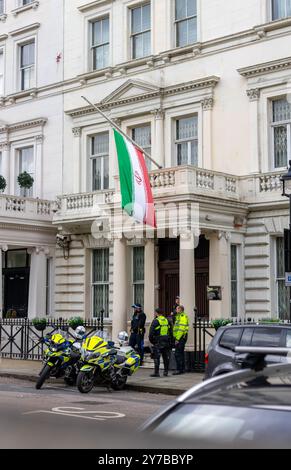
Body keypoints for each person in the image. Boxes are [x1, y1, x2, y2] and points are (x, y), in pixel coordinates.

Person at [149, 308, 171, 378]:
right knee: (165, 357)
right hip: (166, 340)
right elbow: (170, 331)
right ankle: (166, 372)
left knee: (156, 357)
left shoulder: (156, 321)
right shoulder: (167, 320)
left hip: (158, 341)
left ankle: (156, 372)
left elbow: (151, 333)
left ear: (156, 313)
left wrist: (152, 341)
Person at [172, 305, 189, 375]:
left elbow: (181, 329)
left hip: (181, 337)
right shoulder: (178, 316)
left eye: (177, 309)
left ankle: (179, 369)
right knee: (180, 353)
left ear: (180, 310)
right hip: (180, 337)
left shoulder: (182, 317)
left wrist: (177, 339)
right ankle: (182, 369)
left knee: (177, 353)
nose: (176, 310)